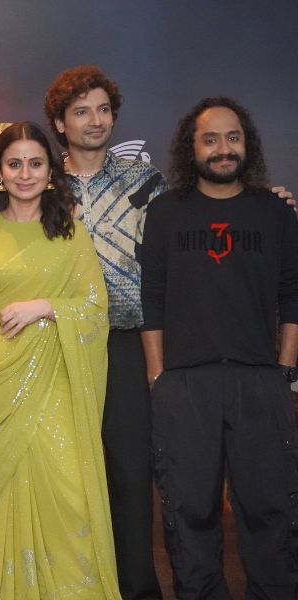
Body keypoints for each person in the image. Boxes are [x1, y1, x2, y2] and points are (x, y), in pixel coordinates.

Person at [0, 121, 119, 599]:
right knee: (8, 502)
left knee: (69, 494)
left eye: (35, 163)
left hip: (56, 374)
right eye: (14, 164)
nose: (25, 174)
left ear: (51, 171)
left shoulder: (71, 231)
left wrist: (45, 307)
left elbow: (95, 308)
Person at [140, 97, 298, 599]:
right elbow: (152, 297)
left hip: (259, 380)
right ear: (192, 148)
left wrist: (284, 370)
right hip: (184, 383)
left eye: (233, 137)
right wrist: (158, 376)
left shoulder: (275, 211)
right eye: (210, 139)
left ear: (247, 144)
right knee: (190, 511)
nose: (223, 149)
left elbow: (293, 293)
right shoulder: (165, 211)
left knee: (270, 509)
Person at [43, 66, 166, 600]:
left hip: (126, 341)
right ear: (59, 123)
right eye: (81, 112)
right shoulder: (41, 183)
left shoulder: (145, 181)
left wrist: (264, 198)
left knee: (131, 471)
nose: (95, 121)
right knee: (66, 473)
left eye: (103, 110)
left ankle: (136, 588)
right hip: (56, 342)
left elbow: (184, 239)